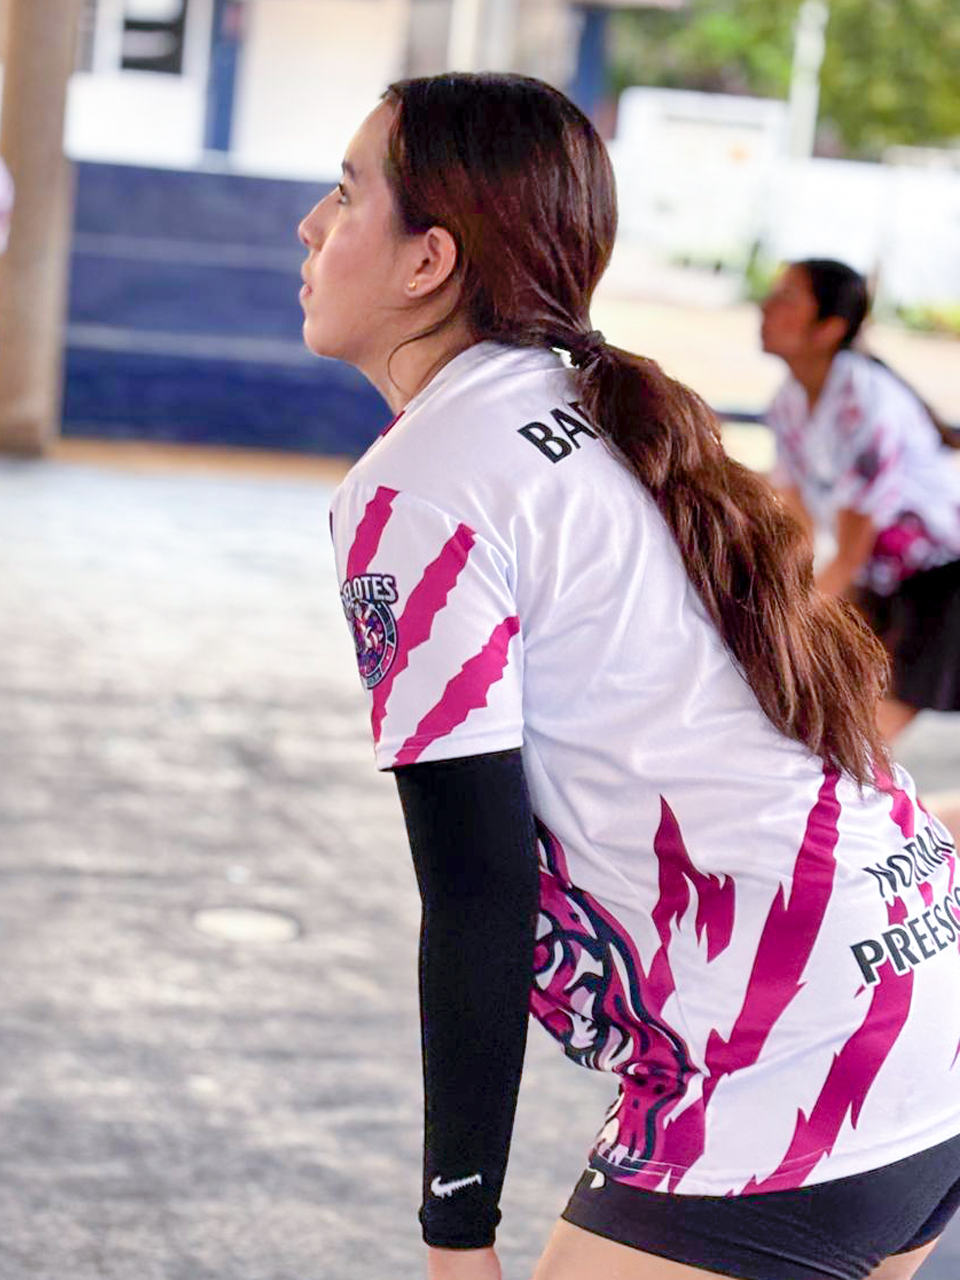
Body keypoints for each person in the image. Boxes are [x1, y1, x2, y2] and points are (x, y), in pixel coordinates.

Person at [299, 74, 960, 1280]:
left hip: (789, 1060)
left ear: (428, 260)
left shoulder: (419, 485)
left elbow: (478, 890)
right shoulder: (605, 403)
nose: (310, 226)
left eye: (345, 195)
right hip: (923, 975)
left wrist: (458, 1236)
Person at [761, 259, 960, 742]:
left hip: (943, 581)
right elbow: (802, 532)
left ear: (829, 328)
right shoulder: (788, 404)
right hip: (885, 581)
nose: (766, 306)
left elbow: (850, 554)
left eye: (788, 297)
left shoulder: (863, 402)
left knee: (855, 744)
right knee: (825, 730)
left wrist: (785, 627)